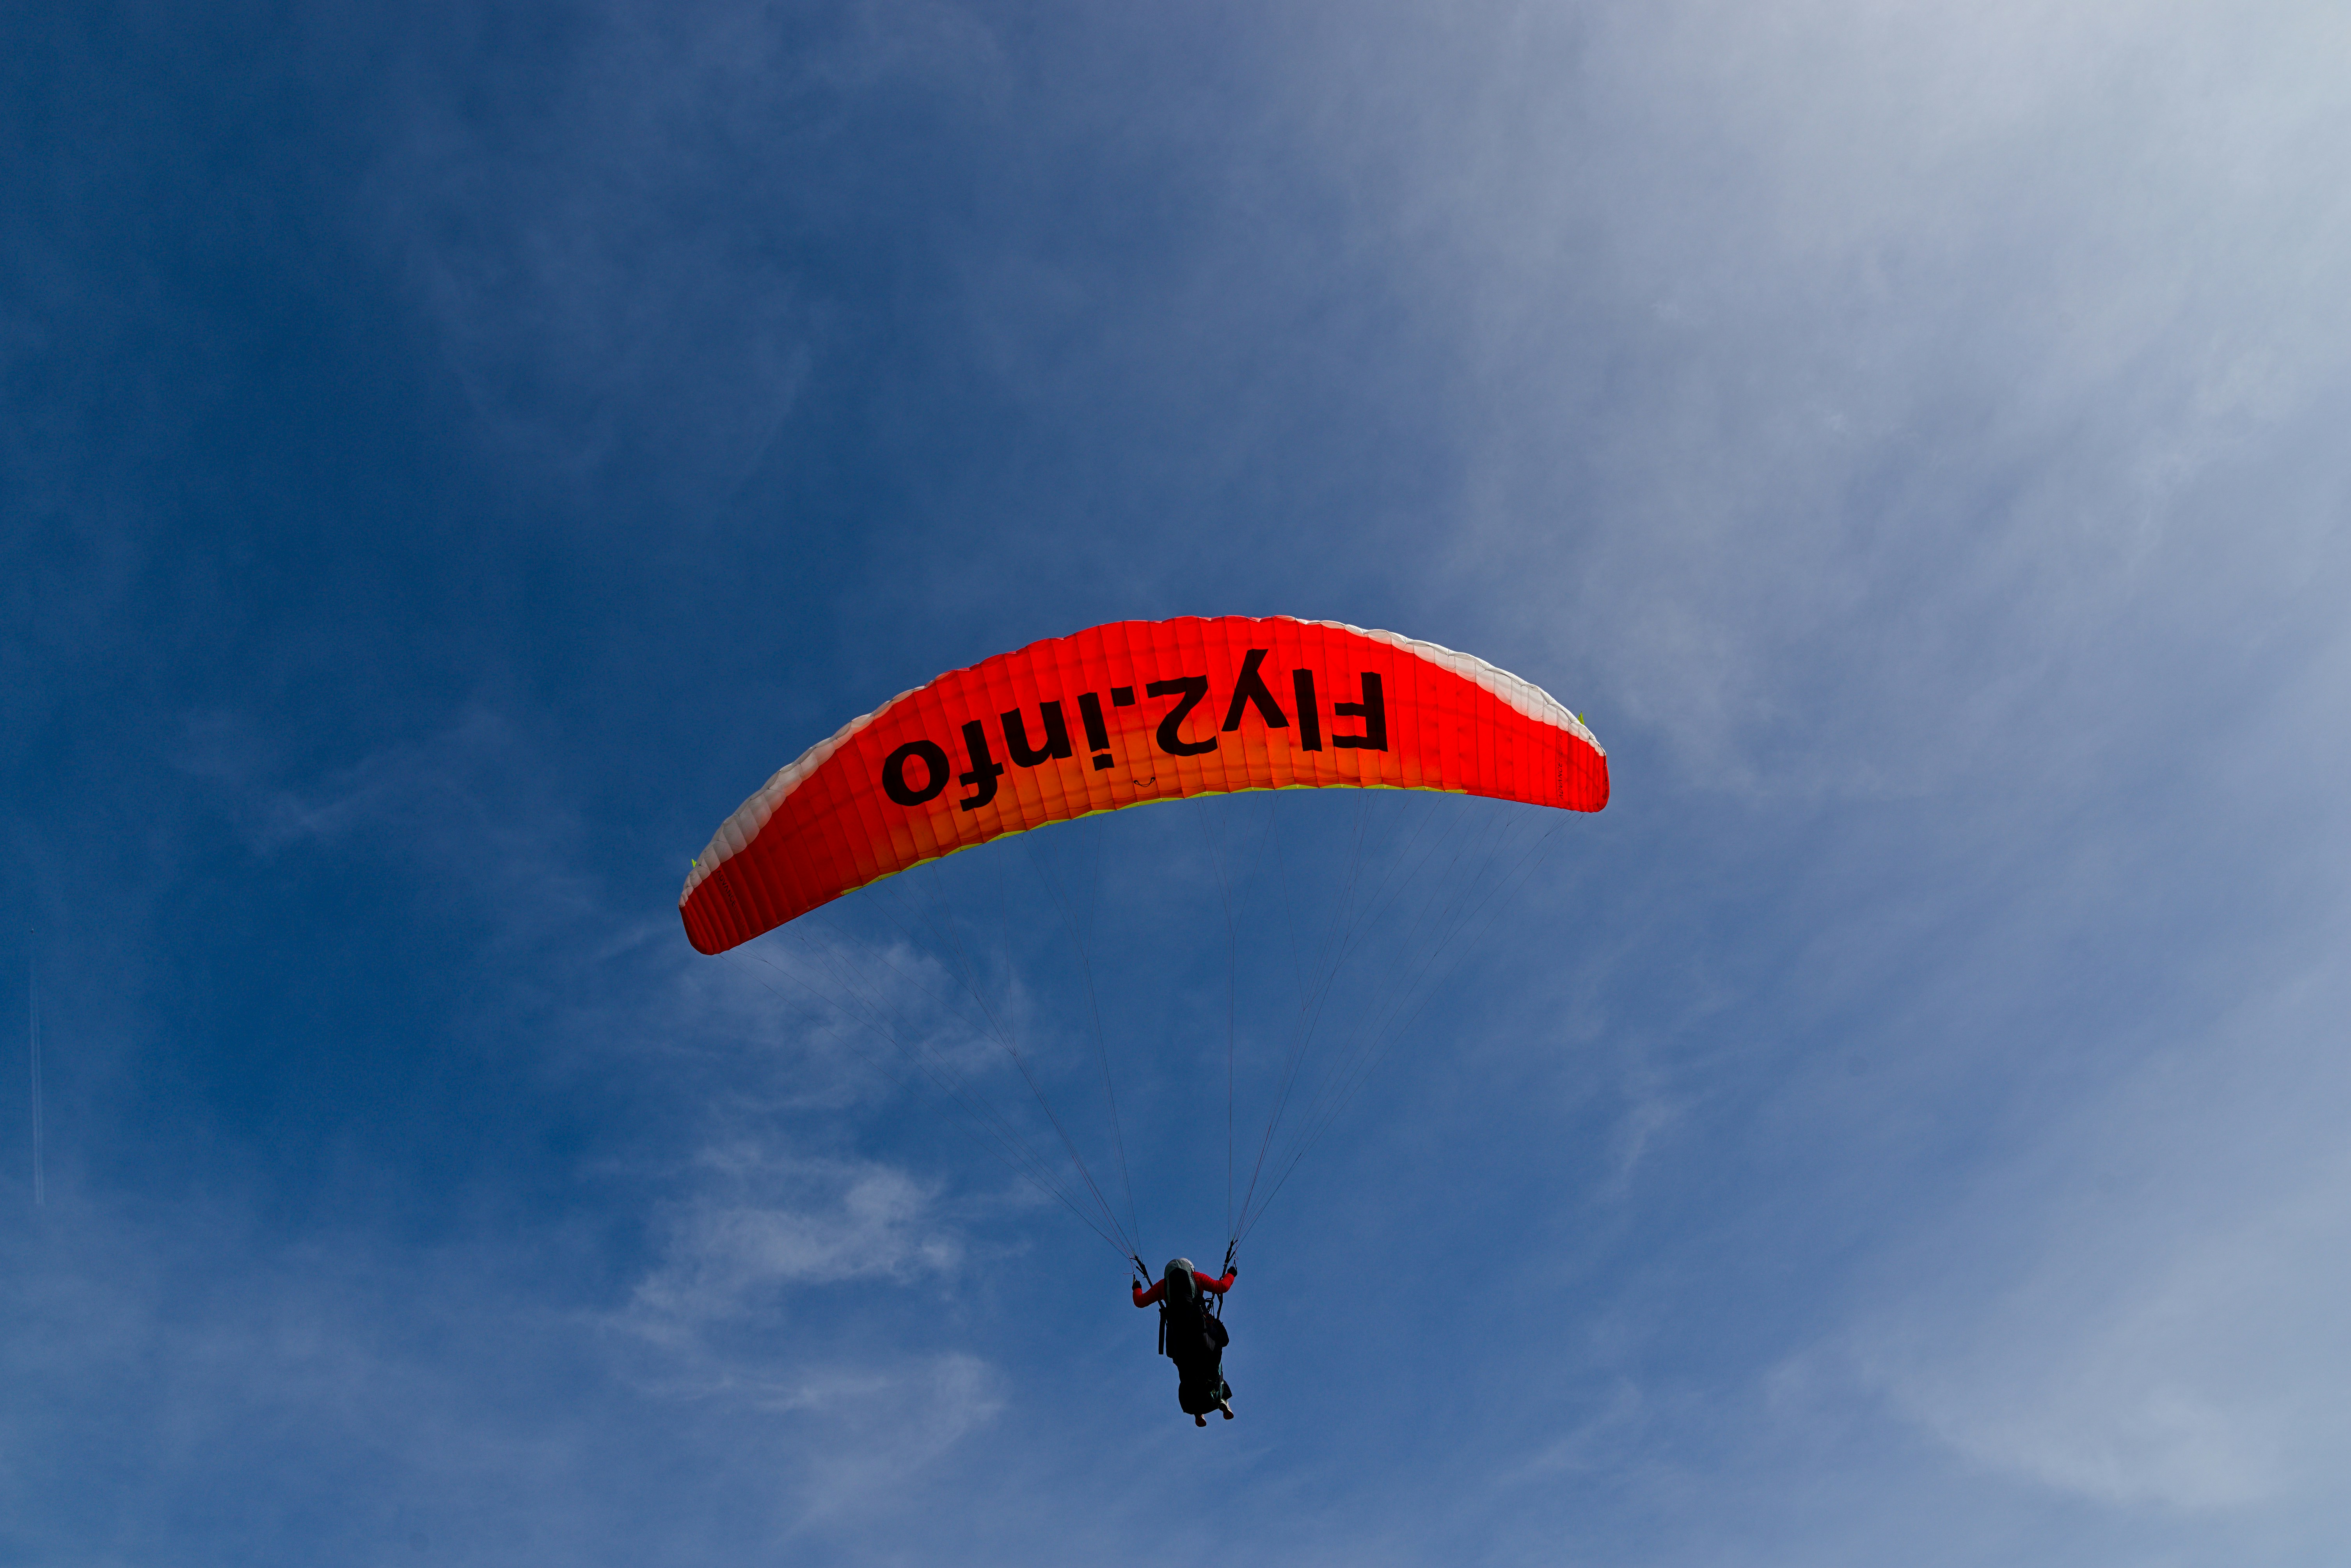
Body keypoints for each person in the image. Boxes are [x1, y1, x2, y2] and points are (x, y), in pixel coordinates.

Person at [1132, 1257, 1237, 1426]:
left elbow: (1139, 1301)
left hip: (1178, 1346)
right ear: (1190, 1269)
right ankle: (1223, 1397)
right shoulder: (1197, 1278)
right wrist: (1232, 1273)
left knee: (1188, 1375)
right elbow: (1222, 1287)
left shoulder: (1163, 1286)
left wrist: (1137, 1286)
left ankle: (1197, 1412)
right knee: (1218, 1354)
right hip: (1202, 1340)